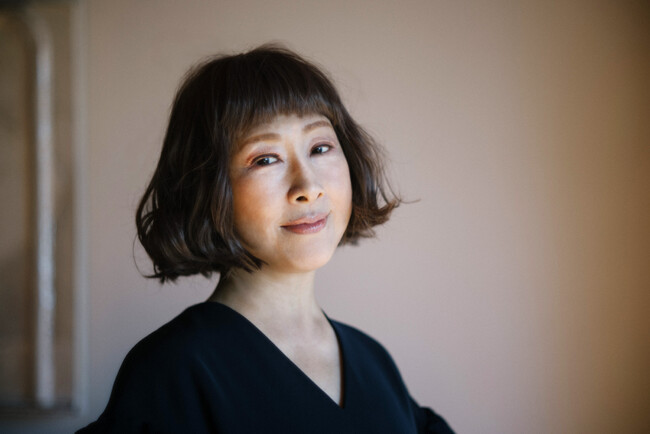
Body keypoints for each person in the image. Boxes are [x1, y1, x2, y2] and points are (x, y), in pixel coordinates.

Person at [78, 44, 454, 434]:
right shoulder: (173, 370)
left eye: (320, 148)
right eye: (265, 159)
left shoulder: (375, 363)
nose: (308, 187)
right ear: (207, 188)